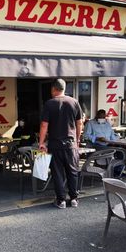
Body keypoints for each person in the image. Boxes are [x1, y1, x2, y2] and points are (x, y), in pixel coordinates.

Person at [38, 78, 83, 209]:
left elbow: (44, 125)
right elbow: (79, 123)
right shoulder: (74, 102)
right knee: (72, 171)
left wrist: (41, 142)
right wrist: (78, 139)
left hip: (55, 144)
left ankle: (61, 200)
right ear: (64, 89)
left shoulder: (49, 103)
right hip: (71, 144)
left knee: (57, 173)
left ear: (53, 89)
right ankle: (74, 199)